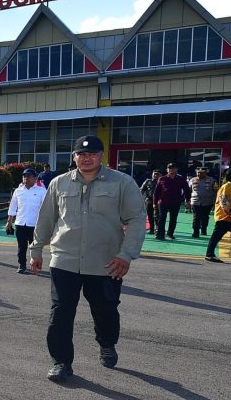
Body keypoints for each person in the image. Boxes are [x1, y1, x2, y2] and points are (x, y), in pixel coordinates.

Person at [29, 135, 145, 382]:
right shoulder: (59, 183)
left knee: (105, 310)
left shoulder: (122, 183)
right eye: (81, 154)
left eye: (92, 153)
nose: (86, 158)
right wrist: (36, 249)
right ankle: (61, 361)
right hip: (64, 259)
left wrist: (126, 255)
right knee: (60, 312)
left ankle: (107, 343)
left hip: (105, 262)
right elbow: (46, 219)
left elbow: (136, 220)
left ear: (102, 155)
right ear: (74, 157)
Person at [6, 168, 47, 274]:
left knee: (35, 247)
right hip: (20, 223)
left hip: (35, 224)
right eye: (24, 176)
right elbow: (13, 206)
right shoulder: (18, 191)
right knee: (21, 246)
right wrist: (9, 221)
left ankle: (36, 265)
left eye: (28, 176)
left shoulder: (42, 191)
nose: (26, 178)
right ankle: (22, 265)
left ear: (35, 178)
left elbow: (47, 209)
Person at [152, 163, 189, 240]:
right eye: (169, 168)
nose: (171, 170)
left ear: (176, 169)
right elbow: (156, 192)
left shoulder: (181, 179)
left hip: (175, 202)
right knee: (162, 218)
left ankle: (170, 233)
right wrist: (154, 203)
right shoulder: (162, 179)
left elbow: (187, 190)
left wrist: (187, 201)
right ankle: (160, 234)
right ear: (167, 170)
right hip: (163, 202)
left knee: (173, 219)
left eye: (173, 168)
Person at [189, 167, 219, 238]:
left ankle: (204, 228)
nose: (199, 174)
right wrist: (187, 200)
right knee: (196, 217)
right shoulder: (192, 180)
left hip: (208, 202)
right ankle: (196, 231)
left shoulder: (212, 180)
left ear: (205, 173)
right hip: (195, 201)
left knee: (205, 216)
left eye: (201, 173)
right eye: (198, 172)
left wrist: (216, 202)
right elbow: (189, 190)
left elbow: (216, 191)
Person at [139, 169, 160, 235]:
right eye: (154, 174)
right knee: (150, 215)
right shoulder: (148, 181)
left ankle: (158, 229)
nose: (155, 175)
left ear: (160, 175)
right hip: (149, 201)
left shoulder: (161, 182)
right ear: (152, 174)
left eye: (157, 174)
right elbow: (141, 190)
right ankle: (152, 229)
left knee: (157, 216)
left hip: (158, 201)